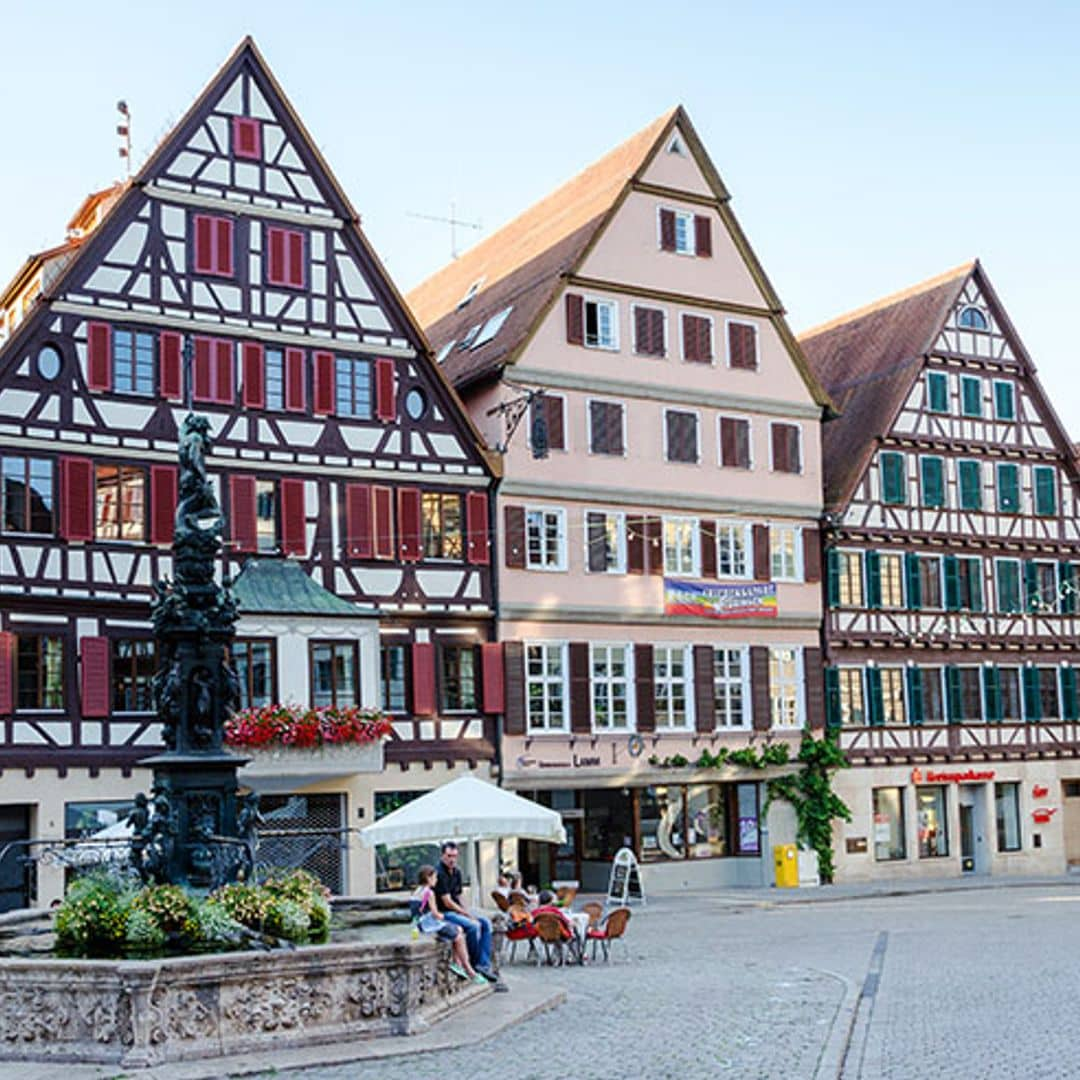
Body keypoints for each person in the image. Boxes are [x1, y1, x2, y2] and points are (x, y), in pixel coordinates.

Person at [412, 866, 487, 985]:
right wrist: (444, 917)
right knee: (459, 935)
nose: (436, 880)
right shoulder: (429, 893)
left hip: (419, 924)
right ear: (428, 878)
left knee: (458, 929)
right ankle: (469, 969)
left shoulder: (416, 891)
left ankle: (457, 964)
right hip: (430, 925)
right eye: (435, 877)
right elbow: (435, 914)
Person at [435, 841, 495, 980]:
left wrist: (467, 911)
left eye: (455, 856)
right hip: (445, 913)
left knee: (485, 923)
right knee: (473, 926)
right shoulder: (438, 873)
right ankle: (474, 963)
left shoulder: (457, 872)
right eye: (449, 856)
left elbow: (459, 895)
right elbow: (447, 902)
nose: (452, 860)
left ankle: (483, 964)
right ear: (442, 855)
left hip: (457, 911)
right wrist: (465, 914)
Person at [533, 889, 589, 961]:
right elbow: (566, 922)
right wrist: (574, 922)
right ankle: (579, 955)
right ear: (550, 900)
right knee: (574, 935)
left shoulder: (535, 912)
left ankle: (560, 956)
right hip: (559, 935)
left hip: (542, 936)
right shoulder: (554, 911)